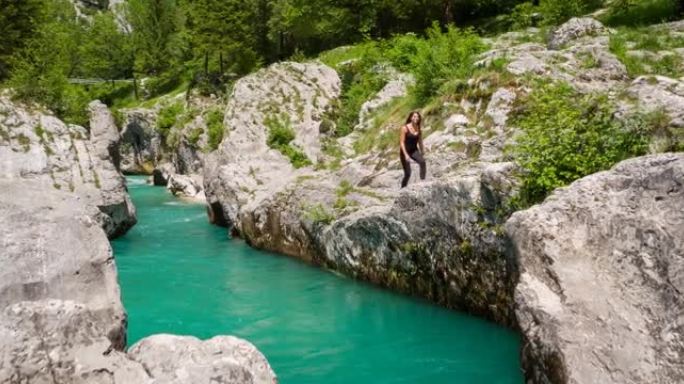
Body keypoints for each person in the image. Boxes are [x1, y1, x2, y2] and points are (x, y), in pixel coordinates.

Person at [399, 111, 426, 188]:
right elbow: (402, 143)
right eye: (414, 116)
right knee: (408, 173)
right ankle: (403, 189)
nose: (416, 118)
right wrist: (406, 155)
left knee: (422, 162)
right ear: (411, 118)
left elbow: (420, 141)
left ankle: (423, 181)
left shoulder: (419, 129)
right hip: (405, 152)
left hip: (414, 150)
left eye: (417, 117)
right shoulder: (405, 128)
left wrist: (422, 150)